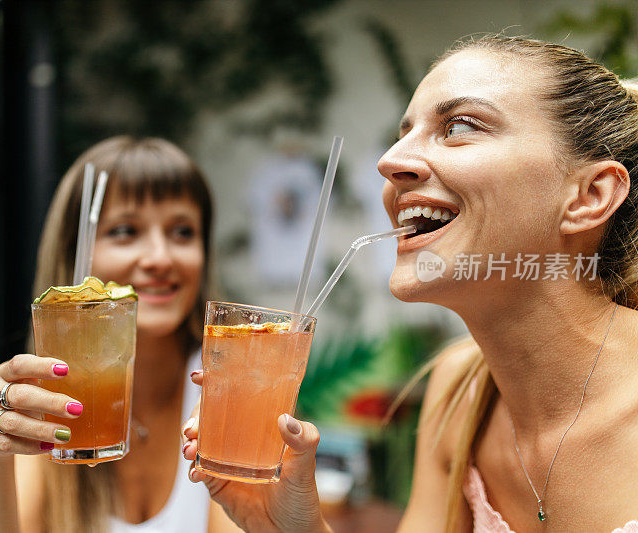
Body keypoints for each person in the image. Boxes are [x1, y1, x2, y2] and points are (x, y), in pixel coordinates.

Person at [183, 35, 638, 532]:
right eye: (405, 133)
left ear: (588, 195)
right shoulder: (458, 394)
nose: (389, 161)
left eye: (459, 126)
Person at [0, 136, 241, 533]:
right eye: (125, 231)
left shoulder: (229, 391)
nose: (160, 258)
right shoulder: (43, 398)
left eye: (183, 232)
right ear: (73, 257)